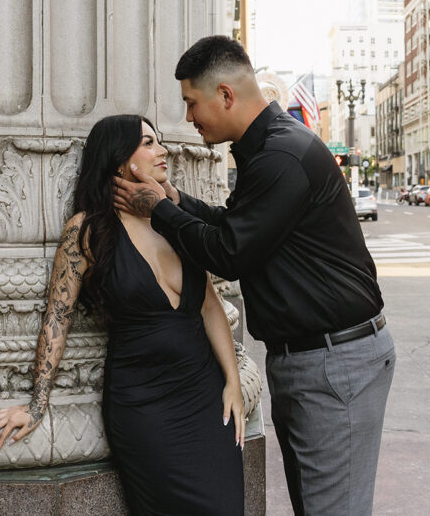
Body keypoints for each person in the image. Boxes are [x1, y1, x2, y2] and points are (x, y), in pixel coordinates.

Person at [114, 36, 395, 516]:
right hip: (312, 359)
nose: (187, 119)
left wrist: (159, 210)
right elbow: (238, 225)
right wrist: (180, 203)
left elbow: (230, 253)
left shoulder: (281, 154)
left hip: (334, 361)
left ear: (225, 95)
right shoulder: (263, 149)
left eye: (191, 103)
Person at [0, 114, 245, 515]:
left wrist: (233, 383)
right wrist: (36, 404)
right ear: (121, 161)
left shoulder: (174, 219)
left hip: (205, 399)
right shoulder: (87, 230)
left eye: (159, 141)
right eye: (149, 143)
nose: (163, 150)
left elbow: (210, 305)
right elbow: (57, 317)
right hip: (144, 407)